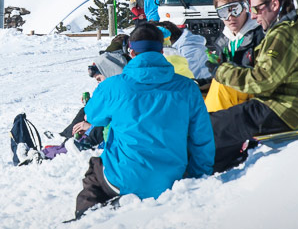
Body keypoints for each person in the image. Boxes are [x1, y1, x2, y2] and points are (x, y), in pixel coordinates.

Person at [73, 26, 215, 219]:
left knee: (95, 171)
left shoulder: (114, 86)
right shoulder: (188, 87)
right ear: (161, 51)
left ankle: (85, 219)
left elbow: (92, 116)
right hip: (171, 180)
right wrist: (198, 177)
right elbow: (202, 138)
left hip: (122, 180)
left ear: (131, 52)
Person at [209, 0, 298, 172]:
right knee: (222, 121)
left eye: (257, 9)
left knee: (211, 125)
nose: (255, 16)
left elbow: (263, 80)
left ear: (274, 4)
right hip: (284, 103)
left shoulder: (284, 33)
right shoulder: (288, 28)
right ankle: (219, 161)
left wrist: (220, 70)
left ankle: (205, 164)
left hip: (285, 109)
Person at [203, 0, 265, 112]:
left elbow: (264, 77)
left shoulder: (260, 35)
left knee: (221, 85)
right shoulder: (223, 40)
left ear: (245, 8)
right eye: (223, 13)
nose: (230, 17)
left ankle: (211, 126)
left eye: (235, 10)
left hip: (254, 94)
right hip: (234, 92)